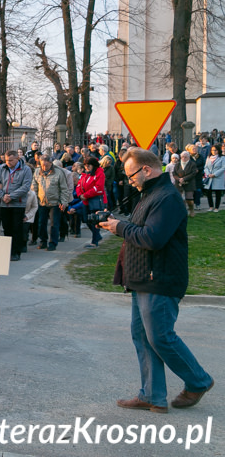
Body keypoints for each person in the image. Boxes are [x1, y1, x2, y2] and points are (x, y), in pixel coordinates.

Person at [99, 147, 215, 413]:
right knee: (142, 337)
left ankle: (198, 380)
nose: (129, 180)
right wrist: (119, 223)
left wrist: (121, 227)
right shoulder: (151, 194)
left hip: (160, 278)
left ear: (147, 170)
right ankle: (152, 396)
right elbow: (141, 229)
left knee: (161, 337)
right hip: (143, 276)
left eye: (131, 175)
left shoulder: (167, 197)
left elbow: (153, 238)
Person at [0, 150, 33, 261]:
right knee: (6, 228)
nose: (8, 162)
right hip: (4, 204)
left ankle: (16, 252)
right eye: (6, 160)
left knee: (16, 228)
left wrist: (11, 196)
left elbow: (25, 187)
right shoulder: (2, 168)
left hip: (18, 204)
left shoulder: (26, 170)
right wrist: (3, 196)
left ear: (17, 159)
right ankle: (7, 251)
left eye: (10, 160)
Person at [32, 154, 71, 251]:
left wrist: (64, 202)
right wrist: (35, 199)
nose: (44, 167)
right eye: (42, 165)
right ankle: (43, 241)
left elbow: (64, 189)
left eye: (46, 165)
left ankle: (53, 243)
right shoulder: (37, 172)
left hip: (55, 202)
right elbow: (34, 187)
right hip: (42, 202)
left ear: (50, 163)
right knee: (41, 223)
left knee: (54, 224)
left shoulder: (58, 173)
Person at [72, 157, 107, 248]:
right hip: (85, 200)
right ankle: (97, 236)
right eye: (85, 166)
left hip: (94, 200)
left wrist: (85, 195)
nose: (87, 167)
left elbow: (98, 188)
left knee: (94, 220)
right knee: (86, 219)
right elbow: (79, 185)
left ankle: (94, 241)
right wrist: (80, 195)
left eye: (88, 166)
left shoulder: (99, 173)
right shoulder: (85, 174)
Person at [172, 151, 198, 217]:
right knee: (179, 198)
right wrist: (179, 179)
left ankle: (191, 210)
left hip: (189, 183)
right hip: (179, 183)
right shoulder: (177, 164)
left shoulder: (192, 164)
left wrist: (184, 179)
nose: (184, 158)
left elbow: (193, 173)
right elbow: (174, 173)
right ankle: (183, 212)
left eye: (185, 157)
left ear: (189, 158)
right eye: (182, 157)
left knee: (189, 198)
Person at [203, 144, 225, 212]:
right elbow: (206, 167)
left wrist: (215, 174)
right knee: (209, 193)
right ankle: (211, 206)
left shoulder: (222, 158)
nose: (214, 151)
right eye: (212, 150)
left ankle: (216, 208)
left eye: (215, 150)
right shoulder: (208, 157)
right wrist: (208, 174)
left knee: (218, 193)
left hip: (218, 177)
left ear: (218, 150)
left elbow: (223, 167)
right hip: (210, 178)